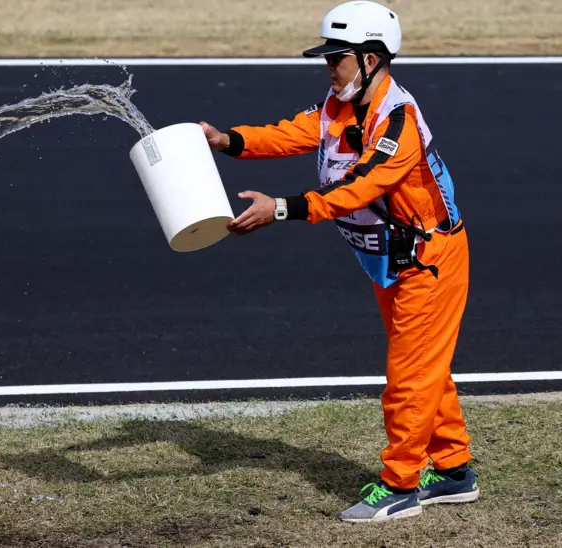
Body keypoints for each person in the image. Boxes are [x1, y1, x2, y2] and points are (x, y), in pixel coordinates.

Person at [198, 0, 480, 523]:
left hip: (429, 261)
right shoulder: (340, 105)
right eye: (327, 57)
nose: (329, 66)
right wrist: (227, 141)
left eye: (337, 57)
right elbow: (293, 133)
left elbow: (356, 189)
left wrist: (280, 209)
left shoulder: (398, 123)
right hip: (393, 261)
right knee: (423, 366)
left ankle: (401, 485)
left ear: (371, 59)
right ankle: (455, 469)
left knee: (409, 377)